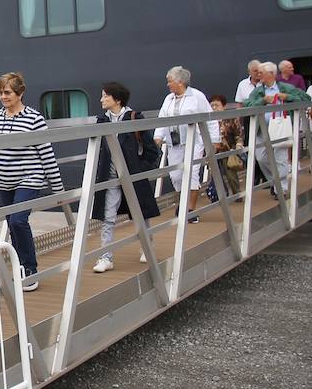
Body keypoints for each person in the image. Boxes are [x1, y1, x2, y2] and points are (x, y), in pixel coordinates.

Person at [0, 72, 64, 291]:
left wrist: (57, 188)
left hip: (29, 177)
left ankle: (30, 270)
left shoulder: (34, 118)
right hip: (4, 180)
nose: (3, 96)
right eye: (0, 92)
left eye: (8, 92)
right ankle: (19, 267)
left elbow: (46, 153)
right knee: (12, 226)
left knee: (18, 221)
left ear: (20, 93)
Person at [90, 82, 161, 273]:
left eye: (105, 96)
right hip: (110, 176)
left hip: (132, 175)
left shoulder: (134, 118)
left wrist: (141, 169)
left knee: (140, 213)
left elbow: (152, 150)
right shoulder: (101, 120)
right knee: (108, 216)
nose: (101, 99)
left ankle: (147, 246)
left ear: (117, 99)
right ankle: (106, 257)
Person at [153, 65, 219, 223]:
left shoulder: (197, 97)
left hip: (193, 142)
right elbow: (163, 118)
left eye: (170, 81)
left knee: (191, 174)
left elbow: (210, 120)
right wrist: (158, 135)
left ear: (180, 82)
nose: (168, 84)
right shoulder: (168, 99)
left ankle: (190, 209)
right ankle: (183, 203)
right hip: (173, 142)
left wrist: (214, 140)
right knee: (176, 175)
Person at [244, 61, 311, 194]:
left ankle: (282, 189)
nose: (258, 75)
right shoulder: (258, 91)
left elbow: (306, 98)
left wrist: (288, 97)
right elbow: (248, 105)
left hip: (281, 127)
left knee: (280, 158)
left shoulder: (285, 88)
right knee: (261, 158)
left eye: (261, 72)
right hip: (262, 129)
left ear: (271, 74)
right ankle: (276, 182)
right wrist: (262, 101)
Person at [209, 94, 244, 199]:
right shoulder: (208, 121)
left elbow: (238, 133)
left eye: (217, 105)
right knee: (216, 175)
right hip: (214, 151)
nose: (214, 108)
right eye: (212, 106)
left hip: (227, 151)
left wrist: (239, 144)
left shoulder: (230, 118)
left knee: (231, 175)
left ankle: (237, 194)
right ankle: (220, 196)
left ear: (223, 106)